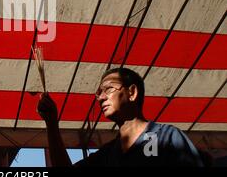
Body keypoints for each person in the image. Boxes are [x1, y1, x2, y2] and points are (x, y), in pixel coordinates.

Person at [37, 67, 204, 166]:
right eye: (99, 93)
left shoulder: (165, 137)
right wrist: (52, 123)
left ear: (132, 93)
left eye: (108, 89)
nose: (101, 97)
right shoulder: (109, 153)